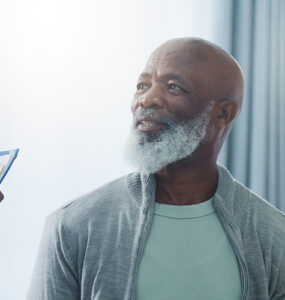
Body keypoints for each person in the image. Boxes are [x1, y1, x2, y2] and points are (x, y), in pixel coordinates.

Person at [26, 38, 285, 300]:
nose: (147, 100)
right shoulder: (72, 226)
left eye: (174, 87)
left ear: (223, 114)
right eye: (142, 86)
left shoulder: (275, 237)